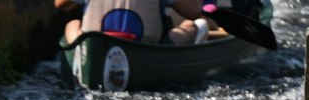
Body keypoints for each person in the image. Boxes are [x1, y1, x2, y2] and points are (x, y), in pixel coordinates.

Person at [62, 0, 209, 45]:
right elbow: (193, 11)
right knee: (192, 25)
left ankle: (81, 48)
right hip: (147, 47)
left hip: (96, 44)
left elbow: (60, 4)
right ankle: (200, 31)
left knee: (72, 24)